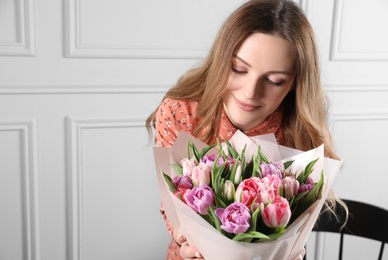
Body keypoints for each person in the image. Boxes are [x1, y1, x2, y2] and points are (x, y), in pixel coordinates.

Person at [146, 0, 347, 259]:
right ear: (221, 60)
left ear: (295, 84)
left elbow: (294, 230)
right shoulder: (180, 113)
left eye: (275, 80)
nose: (250, 93)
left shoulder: (304, 133)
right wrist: (182, 239)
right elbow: (173, 210)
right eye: (238, 69)